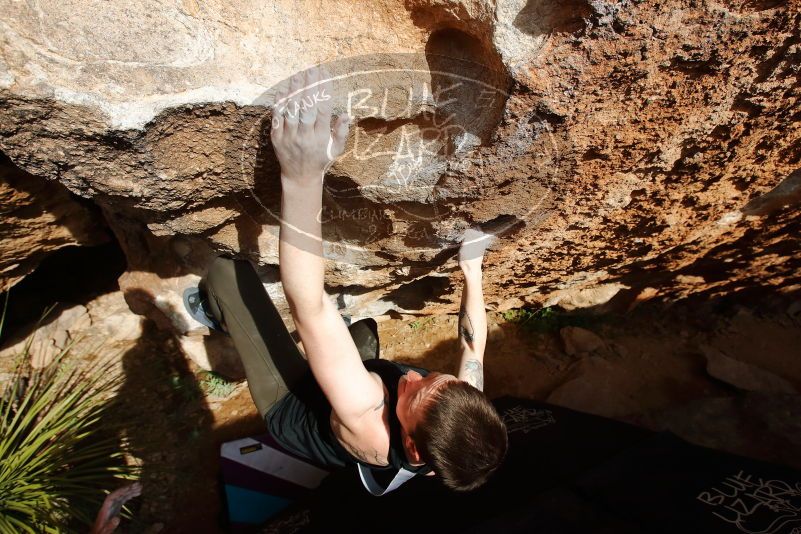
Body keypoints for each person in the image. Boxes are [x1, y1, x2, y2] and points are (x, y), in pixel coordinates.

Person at [198, 66, 507, 494]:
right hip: (351, 391)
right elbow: (473, 345)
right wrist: (472, 268)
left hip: (292, 407)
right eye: (435, 375)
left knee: (225, 273)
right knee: (362, 334)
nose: (414, 377)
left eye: (414, 393)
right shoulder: (455, 414)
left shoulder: (364, 411)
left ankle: (210, 309)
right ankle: (336, 358)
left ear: (415, 451)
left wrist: (303, 175)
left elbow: (311, 307)